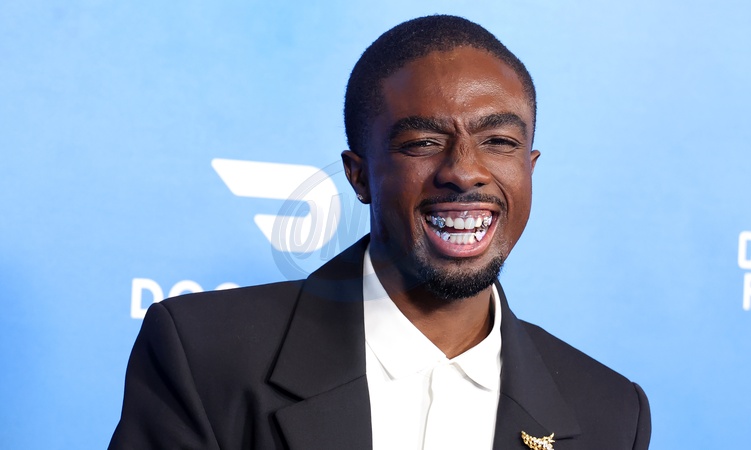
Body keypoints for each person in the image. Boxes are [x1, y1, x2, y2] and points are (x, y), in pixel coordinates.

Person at [110, 15, 651, 450]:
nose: (465, 171)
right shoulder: (204, 354)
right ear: (359, 176)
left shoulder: (608, 412)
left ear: (530, 168)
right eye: (422, 143)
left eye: (499, 142)